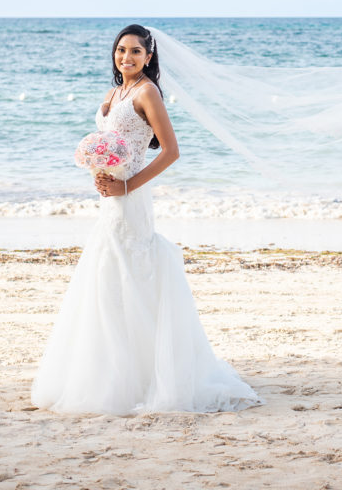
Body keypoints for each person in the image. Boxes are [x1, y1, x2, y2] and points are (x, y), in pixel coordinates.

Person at [30, 24, 265, 415]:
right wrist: (100, 171)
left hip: (132, 201)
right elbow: (111, 146)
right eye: (121, 50)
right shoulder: (113, 93)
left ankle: (145, 378)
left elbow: (171, 151)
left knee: (132, 276)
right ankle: (112, 373)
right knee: (107, 278)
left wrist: (126, 186)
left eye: (136, 52)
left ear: (149, 57)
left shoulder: (147, 92)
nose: (127, 57)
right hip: (112, 200)